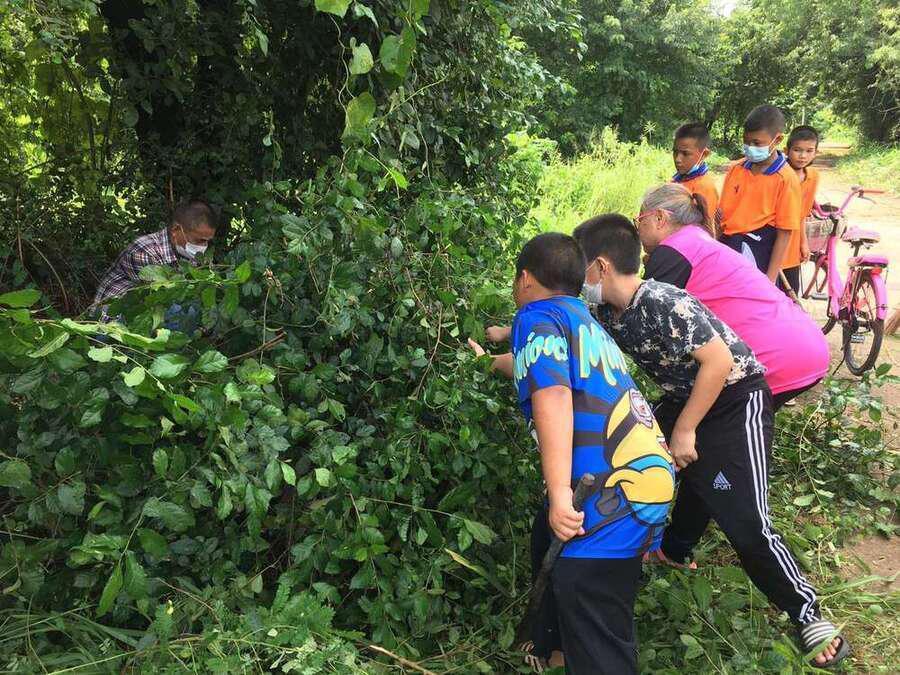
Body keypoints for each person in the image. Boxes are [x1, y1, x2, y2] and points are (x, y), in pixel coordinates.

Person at [572, 214, 849, 670]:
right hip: (684, 397)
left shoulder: (663, 301)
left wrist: (685, 430)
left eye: (579, 267)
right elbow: (569, 336)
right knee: (625, 457)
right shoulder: (606, 312)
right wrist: (511, 339)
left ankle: (806, 612)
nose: (577, 279)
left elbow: (718, 363)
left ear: (600, 266)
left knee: (746, 521)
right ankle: (669, 551)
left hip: (735, 400)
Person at [470, 232, 675, 674]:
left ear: (525, 279)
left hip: (608, 493)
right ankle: (556, 649)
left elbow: (553, 395)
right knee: (552, 545)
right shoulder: (582, 320)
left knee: (593, 615)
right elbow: (529, 365)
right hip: (648, 479)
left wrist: (561, 493)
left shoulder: (535, 316)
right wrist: (485, 361)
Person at [637, 183, 829, 409]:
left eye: (639, 221)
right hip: (806, 346)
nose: (637, 230)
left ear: (659, 218)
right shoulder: (699, 240)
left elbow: (638, 317)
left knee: (704, 419)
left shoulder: (673, 250)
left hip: (771, 360)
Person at [717, 105, 802, 285]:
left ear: (777, 139)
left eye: (757, 143)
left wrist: (770, 278)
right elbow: (721, 217)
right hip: (728, 248)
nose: (750, 148)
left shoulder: (786, 179)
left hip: (758, 253)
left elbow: (785, 232)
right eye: (746, 142)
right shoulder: (736, 169)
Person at [91, 199, 217, 311]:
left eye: (207, 241)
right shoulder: (144, 251)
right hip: (110, 321)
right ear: (176, 231)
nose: (204, 247)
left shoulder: (190, 253)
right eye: (199, 240)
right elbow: (166, 298)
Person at [781, 125, 822, 294]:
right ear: (787, 150)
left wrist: (804, 243)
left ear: (816, 153)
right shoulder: (778, 173)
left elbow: (802, 214)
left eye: (809, 151)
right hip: (774, 240)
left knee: (791, 293)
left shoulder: (813, 176)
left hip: (793, 244)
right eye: (797, 150)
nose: (803, 156)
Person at [670, 122, 718, 232]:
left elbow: (705, 229)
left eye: (685, 154)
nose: (677, 159)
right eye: (675, 152)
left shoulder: (704, 187)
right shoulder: (675, 180)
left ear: (704, 154)